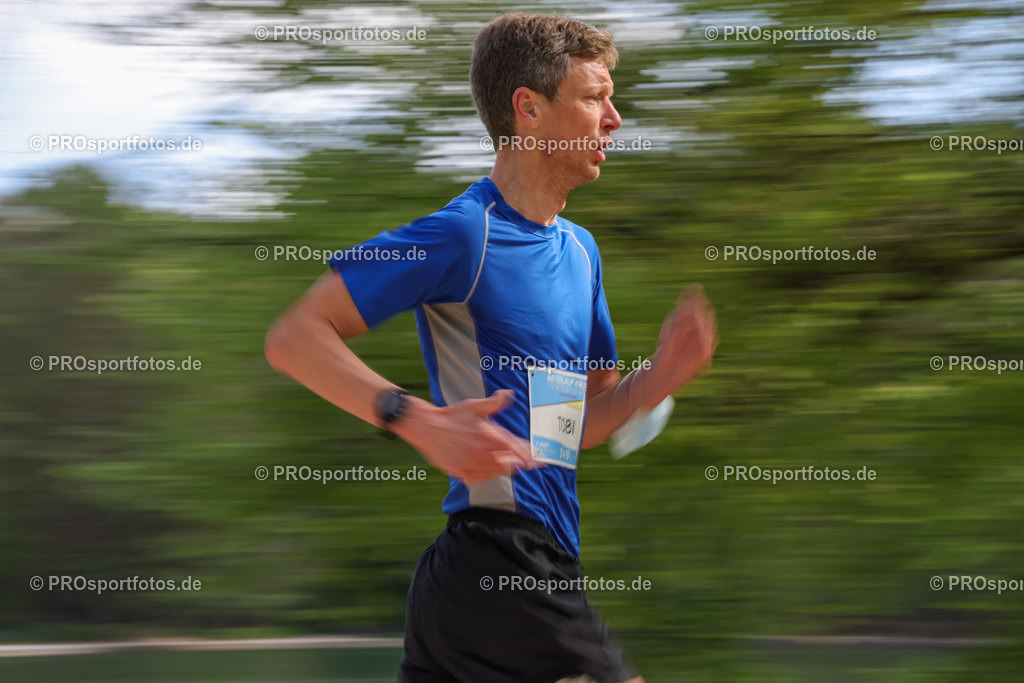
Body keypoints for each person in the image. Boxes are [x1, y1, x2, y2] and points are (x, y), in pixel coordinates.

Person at [265, 12, 717, 683]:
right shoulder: (462, 238)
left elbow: (571, 429)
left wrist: (659, 376)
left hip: (494, 580)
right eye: (594, 97)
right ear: (528, 110)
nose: (614, 118)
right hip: (502, 555)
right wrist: (411, 418)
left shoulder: (580, 253)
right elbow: (295, 336)